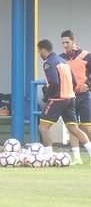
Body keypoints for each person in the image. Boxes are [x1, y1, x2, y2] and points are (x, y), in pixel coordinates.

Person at [38, 39, 91, 158]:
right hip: (71, 98)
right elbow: (74, 81)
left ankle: (48, 156)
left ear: (42, 50)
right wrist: (69, 91)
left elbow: (54, 82)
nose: (39, 54)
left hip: (58, 99)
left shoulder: (48, 63)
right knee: (73, 128)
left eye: (39, 52)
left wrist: (47, 97)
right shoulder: (63, 61)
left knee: (43, 127)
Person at [60, 30, 91, 164]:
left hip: (84, 96)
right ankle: (77, 158)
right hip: (69, 97)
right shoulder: (61, 58)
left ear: (73, 41)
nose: (65, 45)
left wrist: (88, 85)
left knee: (87, 126)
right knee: (72, 127)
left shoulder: (86, 55)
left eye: (67, 42)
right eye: (63, 43)